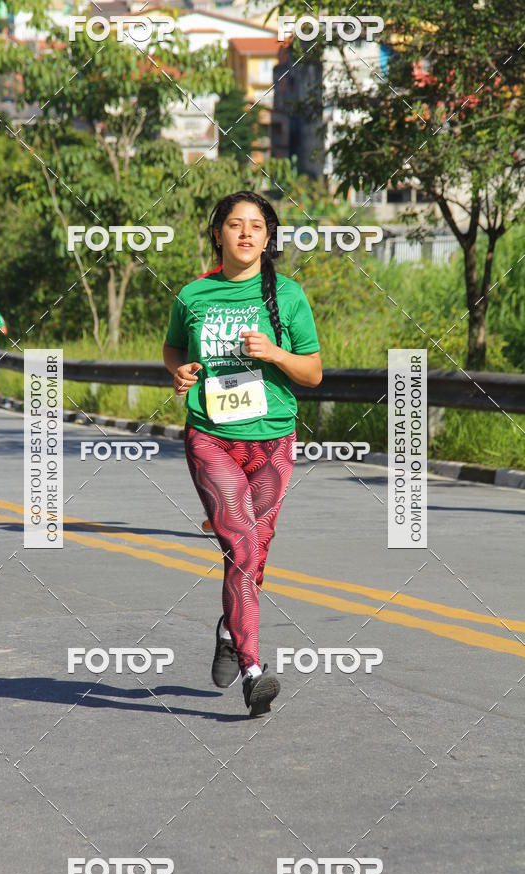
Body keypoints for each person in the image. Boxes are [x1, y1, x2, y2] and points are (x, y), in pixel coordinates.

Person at [162, 191, 322, 717]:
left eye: (257, 225)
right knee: (241, 545)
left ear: (269, 237)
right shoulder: (193, 295)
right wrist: (179, 371)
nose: (246, 233)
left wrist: (275, 353)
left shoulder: (289, 296)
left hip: (273, 438)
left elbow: (313, 372)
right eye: (235, 224)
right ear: (218, 234)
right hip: (211, 436)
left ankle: (231, 630)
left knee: (255, 553)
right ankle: (254, 669)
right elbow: (173, 347)